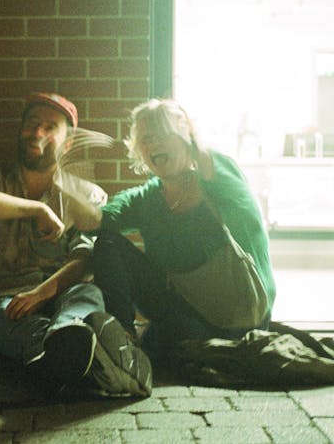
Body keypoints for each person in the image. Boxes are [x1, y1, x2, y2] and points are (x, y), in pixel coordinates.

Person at [0, 92, 152, 398]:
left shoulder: (86, 194)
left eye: (50, 127)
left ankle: (66, 344)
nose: (38, 133)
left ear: (67, 143)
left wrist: (43, 292)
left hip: (62, 295)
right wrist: (37, 209)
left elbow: (85, 257)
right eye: (32, 124)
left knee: (88, 293)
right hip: (4, 298)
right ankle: (75, 357)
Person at [79, 98, 276, 362]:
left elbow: (207, 164)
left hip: (239, 317)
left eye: (163, 134)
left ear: (186, 137)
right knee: (108, 243)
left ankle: (178, 345)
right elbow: (97, 222)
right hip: (188, 314)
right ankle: (121, 341)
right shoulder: (147, 198)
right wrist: (65, 181)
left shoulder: (219, 181)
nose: (153, 144)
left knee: (166, 341)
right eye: (146, 139)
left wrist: (190, 132)